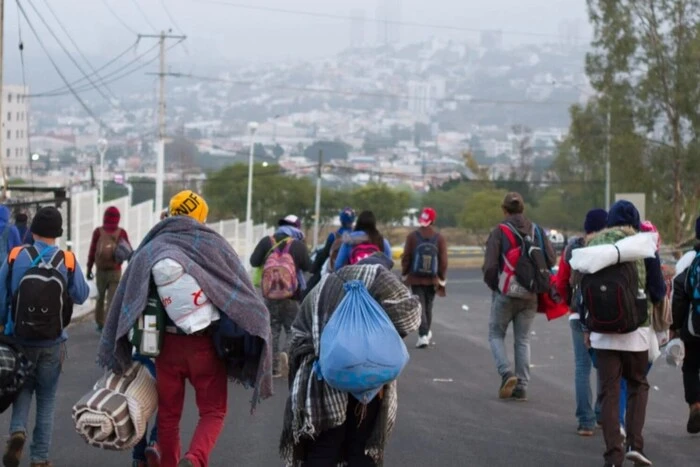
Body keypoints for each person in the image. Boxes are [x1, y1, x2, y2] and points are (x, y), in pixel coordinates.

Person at [97, 190, 272, 467]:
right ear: (201, 215)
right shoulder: (213, 245)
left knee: (168, 415)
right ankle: (195, 458)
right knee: (213, 410)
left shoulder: (153, 246)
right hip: (203, 346)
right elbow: (237, 289)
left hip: (166, 347)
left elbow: (130, 292)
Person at [279, 257, 421, 467]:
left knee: (323, 447)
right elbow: (410, 314)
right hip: (370, 383)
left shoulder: (326, 282)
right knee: (361, 449)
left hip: (324, 381)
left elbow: (299, 332)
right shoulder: (381, 277)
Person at [0, 207, 90, 467]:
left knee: (22, 389)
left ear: (33, 230)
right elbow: (83, 295)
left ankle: (17, 432)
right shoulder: (68, 259)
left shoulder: (17, 256)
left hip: (20, 338)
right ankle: (40, 458)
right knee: (47, 400)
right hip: (53, 342)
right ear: (58, 234)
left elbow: (1, 295)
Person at [583, 200, 665, 467]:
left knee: (609, 391)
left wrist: (586, 328)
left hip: (601, 332)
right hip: (636, 330)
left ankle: (613, 456)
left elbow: (580, 288)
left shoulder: (593, 245)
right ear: (635, 221)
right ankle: (635, 444)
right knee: (637, 383)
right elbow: (658, 290)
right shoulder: (644, 245)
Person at [482, 192, 556, 401]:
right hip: (530, 294)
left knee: (495, 334)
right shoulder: (537, 231)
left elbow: (490, 266)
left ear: (504, 210)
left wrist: (495, 285)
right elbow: (550, 259)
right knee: (522, 339)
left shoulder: (500, 231)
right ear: (523, 209)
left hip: (506, 292)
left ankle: (506, 373)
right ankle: (521, 385)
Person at [554, 208, 607, 436]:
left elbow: (561, 281)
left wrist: (571, 304)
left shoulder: (572, 248)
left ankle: (585, 422)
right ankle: (601, 413)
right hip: (604, 315)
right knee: (605, 366)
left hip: (578, 314)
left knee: (582, 367)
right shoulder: (609, 248)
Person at [250, 214, 310, 378]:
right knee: (293, 328)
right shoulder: (298, 244)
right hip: (292, 295)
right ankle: (287, 353)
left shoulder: (267, 241)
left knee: (273, 329)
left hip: (270, 294)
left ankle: (274, 368)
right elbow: (308, 266)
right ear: (297, 227)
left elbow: (253, 262)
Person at [401, 207, 448, 349]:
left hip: (415, 278)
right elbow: (443, 261)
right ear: (433, 220)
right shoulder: (439, 238)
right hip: (432, 278)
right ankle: (425, 333)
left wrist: (405, 273)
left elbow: (406, 257)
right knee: (428, 306)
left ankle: (423, 335)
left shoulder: (412, 237)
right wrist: (441, 277)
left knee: (419, 305)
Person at [671, 215, 700, 435]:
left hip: (695, 327)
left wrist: (676, 327)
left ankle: (695, 405)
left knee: (690, 367)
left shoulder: (691, 261)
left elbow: (679, 294)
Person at [86, 206, 131, 332]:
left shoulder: (98, 232)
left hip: (100, 271)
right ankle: (109, 326)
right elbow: (128, 251)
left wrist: (89, 268)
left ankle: (100, 323)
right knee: (112, 299)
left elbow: (92, 251)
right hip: (115, 271)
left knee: (100, 298)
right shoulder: (121, 233)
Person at [305, 208, 356, 296]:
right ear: (353, 220)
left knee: (309, 288)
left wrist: (314, 267)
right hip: (355, 269)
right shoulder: (357, 235)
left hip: (335, 270)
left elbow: (325, 253)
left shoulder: (333, 236)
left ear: (340, 220)